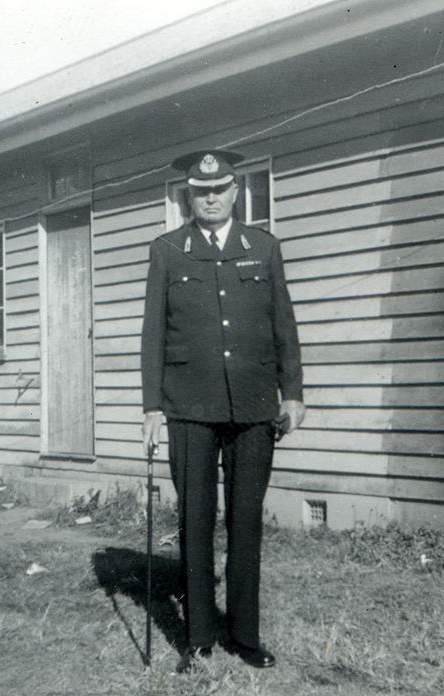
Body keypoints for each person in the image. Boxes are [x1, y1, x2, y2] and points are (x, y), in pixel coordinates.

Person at [141, 150, 305, 673]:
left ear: (235, 192)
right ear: (188, 196)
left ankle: (244, 634)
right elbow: (151, 337)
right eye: (200, 191)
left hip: (254, 403)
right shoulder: (168, 250)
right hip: (189, 404)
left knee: (245, 520)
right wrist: (151, 407)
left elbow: (284, 324)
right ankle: (199, 637)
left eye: (220, 190)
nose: (211, 199)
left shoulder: (263, 247)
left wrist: (293, 392)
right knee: (194, 519)